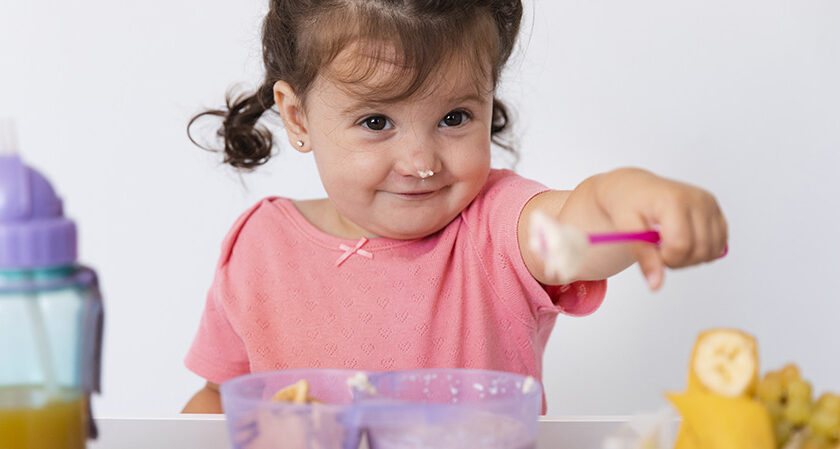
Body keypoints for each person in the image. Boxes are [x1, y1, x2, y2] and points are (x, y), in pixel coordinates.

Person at [181, 0, 728, 414]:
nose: (421, 162)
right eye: (376, 122)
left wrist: (631, 197)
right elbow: (217, 398)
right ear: (298, 118)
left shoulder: (495, 224)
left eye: (455, 118)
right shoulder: (259, 248)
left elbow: (578, 226)